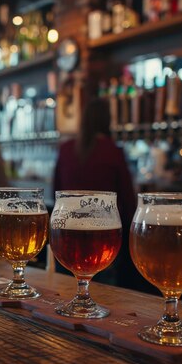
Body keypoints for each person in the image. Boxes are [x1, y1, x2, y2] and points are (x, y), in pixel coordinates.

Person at [52, 98, 141, 290]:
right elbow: (127, 198)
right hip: (102, 236)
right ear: (107, 120)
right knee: (104, 291)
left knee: (65, 288)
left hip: (66, 234)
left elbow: (56, 193)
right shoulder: (112, 150)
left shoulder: (66, 149)